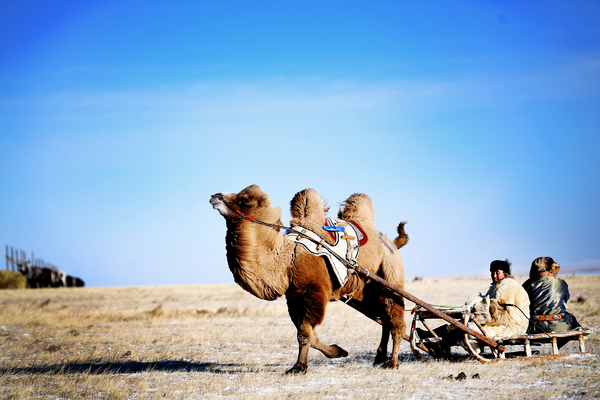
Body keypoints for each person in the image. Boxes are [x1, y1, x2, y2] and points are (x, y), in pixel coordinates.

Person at [417, 260, 530, 357]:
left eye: (497, 272)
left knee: (466, 326)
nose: (494, 275)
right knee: (463, 323)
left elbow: (505, 314)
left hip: (511, 325)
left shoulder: (509, 287)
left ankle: (434, 339)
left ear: (505, 273)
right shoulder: (496, 287)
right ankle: (434, 340)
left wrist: (480, 314)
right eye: (492, 272)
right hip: (499, 322)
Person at [522, 257, 581, 334]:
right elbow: (565, 300)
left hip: (534, 327)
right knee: (570, 318)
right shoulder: (561, 282)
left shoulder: (528, 283)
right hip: (559, 326)